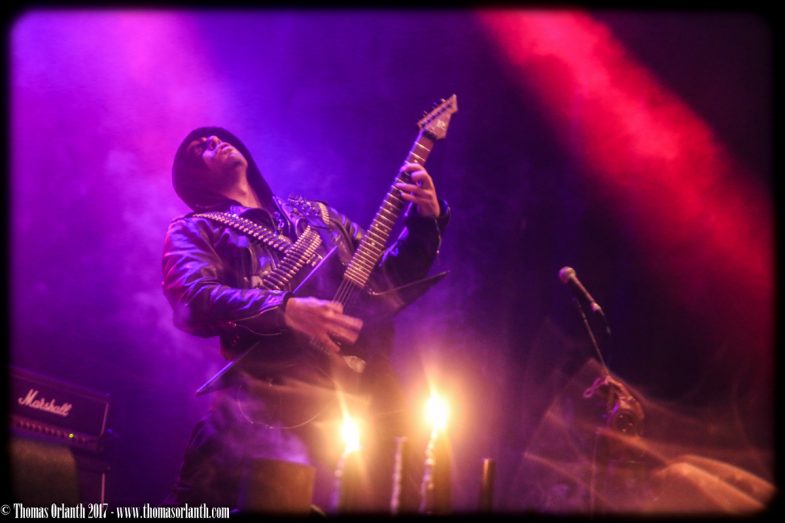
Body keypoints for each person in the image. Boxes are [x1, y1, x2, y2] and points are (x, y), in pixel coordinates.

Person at [160, 127, 449, 513]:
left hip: (359, 397)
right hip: (267, 403)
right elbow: (193, 298)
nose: (214, 141)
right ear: (192, 180)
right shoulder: (194, 229)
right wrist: (286, 308)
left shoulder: (320, 216)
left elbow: (385, 284)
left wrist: (425, 221)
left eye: (216, 137)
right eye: (200, 148)